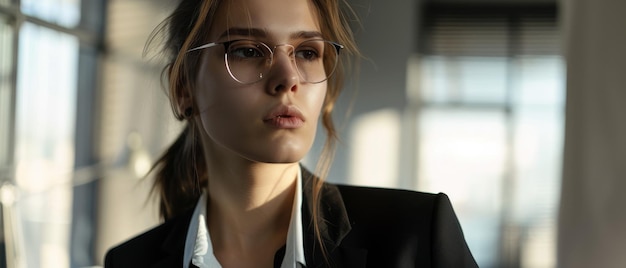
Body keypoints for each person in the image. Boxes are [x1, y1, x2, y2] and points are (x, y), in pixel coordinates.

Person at [104, 0, 478, 267]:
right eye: (248, 50)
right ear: (183, 87)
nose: (288, 78)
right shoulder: (128, 261)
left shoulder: (415, 237)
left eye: (307, 52)